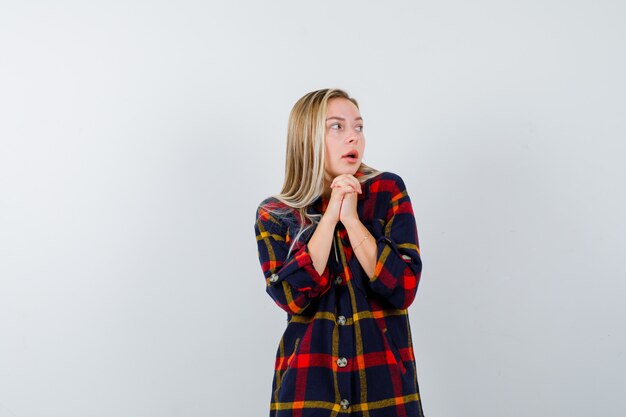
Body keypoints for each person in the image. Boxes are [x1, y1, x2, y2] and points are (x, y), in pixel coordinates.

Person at [254, 88, 424, 417]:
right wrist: (330, 216)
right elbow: (292, 297)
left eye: (358, 127)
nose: (353, 138)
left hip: (385, 391)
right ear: (308, 138)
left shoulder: (387, 191)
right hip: (307, 392)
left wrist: (351, 219)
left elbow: (403, 288)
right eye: (338, 127)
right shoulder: (275, 214)